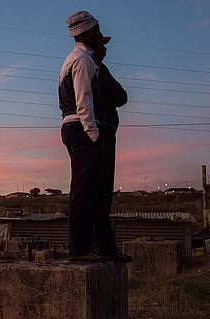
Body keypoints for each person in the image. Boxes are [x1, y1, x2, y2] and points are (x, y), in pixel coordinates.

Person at [58, 11, 132, 263]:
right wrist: (93, 133)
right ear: (85, 32)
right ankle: (79, 249)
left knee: (96, 190)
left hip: (79, 128)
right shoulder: (81, 60)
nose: (100, 36)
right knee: (83, 190)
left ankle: (103, 247)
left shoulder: (80, 59)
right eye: (97, 31)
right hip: (82, 128)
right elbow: (83, 101)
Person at [92, 37, 128, 217]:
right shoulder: (96, 67)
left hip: (99, 128)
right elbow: (121, 96)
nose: (105, 49)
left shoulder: (85, 66)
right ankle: (100, 238)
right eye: (102, 45)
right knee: (103, 185)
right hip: (103, 129)